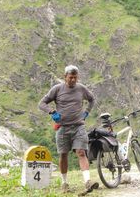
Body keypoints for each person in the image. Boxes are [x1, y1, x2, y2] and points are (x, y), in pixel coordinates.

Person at [38, 65, 99, 194]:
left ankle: (88, 181)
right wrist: (51, 112)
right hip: (62, 128)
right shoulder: (57, 89)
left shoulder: (81, 88)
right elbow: (42, 103)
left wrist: (87, 112)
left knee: (81, 152)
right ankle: (65, 183)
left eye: (75, 78)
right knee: (63, 155)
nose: (73, 80)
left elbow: (92, 99)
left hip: (78, 126)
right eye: (70, 77)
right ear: (65, 76)